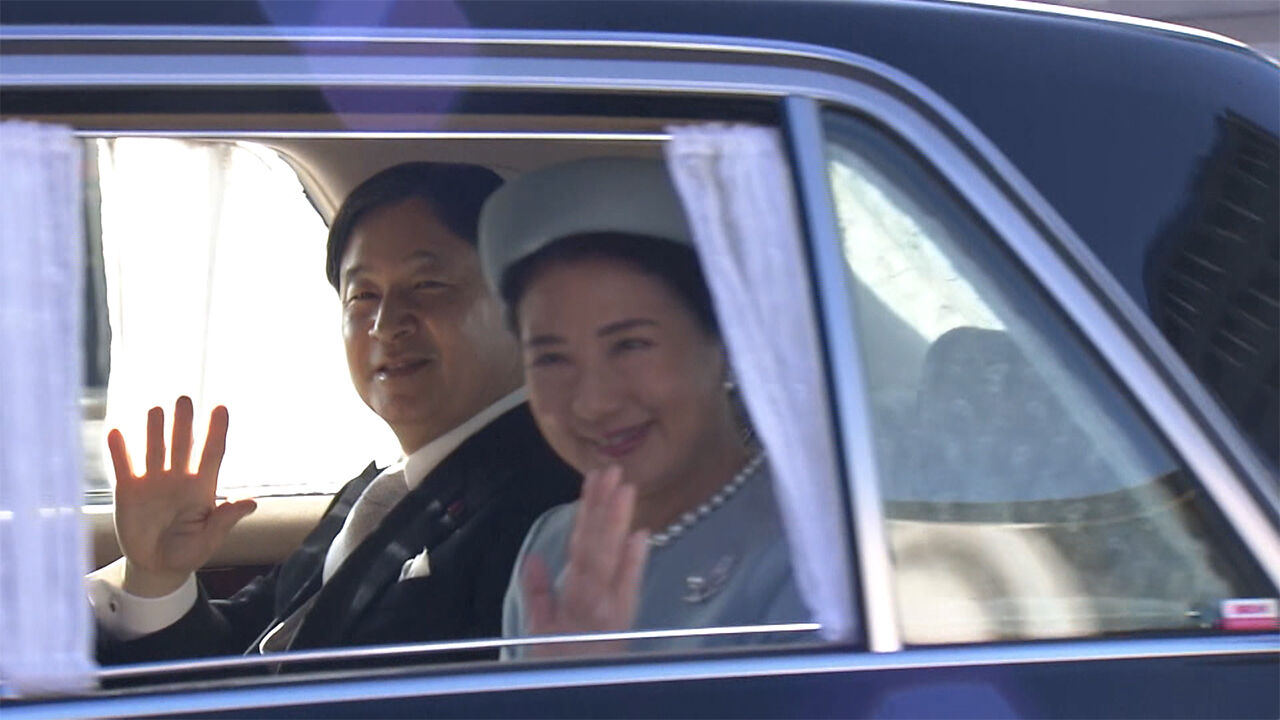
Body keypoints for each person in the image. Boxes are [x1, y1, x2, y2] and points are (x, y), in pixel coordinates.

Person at [88, 162, 579, 665]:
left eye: (427, 285)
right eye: (363, 295)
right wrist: (159, 579)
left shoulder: (550, 506)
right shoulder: (380, 493)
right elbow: (254, 651)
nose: (386, 323)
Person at [477, 158, 809, 658]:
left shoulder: (810, 553)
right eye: (551, 358)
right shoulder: (551, 544)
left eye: (630, 346)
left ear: (724, 341)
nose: (593, 404)